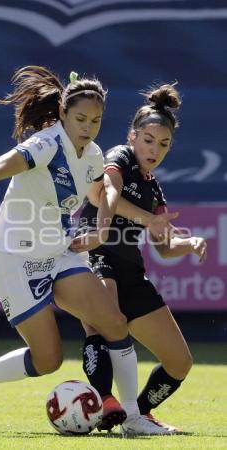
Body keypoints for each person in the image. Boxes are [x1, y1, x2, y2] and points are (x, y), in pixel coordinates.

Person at [0, 66, 155, 434]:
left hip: (58, 252)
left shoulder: (93, 153)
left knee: (114, 322)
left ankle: (132, 417)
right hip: (16, 260)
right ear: (63, 113)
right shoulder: (46, 145)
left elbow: (104, 192)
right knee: (48, 359)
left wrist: (101, 228)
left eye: (96, 121)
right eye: (80, 118)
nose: (87, 127)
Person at [71, 83, 207, 435]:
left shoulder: (154, 189)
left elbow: (163, 246)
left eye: (163, 144)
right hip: (97, 256)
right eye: (148, 139)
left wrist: (188, 243)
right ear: (133, 137)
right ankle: (106, 402)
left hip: (132, 272)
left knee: (180, 362)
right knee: (106, 322)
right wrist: (141, 221)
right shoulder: (119, 157)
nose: (154, 149)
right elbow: (107, 193)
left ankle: (137, 416)